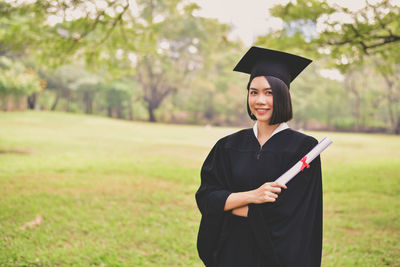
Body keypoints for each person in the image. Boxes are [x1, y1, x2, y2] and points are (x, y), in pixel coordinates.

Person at [195, 47, 323, 267]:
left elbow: (297, 216)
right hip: (231, 254)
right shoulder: (227, 146)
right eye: (254, 92)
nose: (260, 100)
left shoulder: (304, 149)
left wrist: (228, 205)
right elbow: (206, 197)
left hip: (276, 258)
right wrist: (252, 196)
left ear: (283, 95)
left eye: (269, 92)